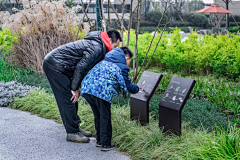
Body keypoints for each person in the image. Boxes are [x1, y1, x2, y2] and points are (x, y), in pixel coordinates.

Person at [42, 30, 122, 143]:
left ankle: (75, 127)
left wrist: (77, 87)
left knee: (72, 98)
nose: (113, 49)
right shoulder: (97, 48)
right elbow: (81, 67)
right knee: (68, 99)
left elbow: (85, 69)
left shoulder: (98, 45)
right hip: (55, 65)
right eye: (115, 45)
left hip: (62, 66)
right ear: (109, 40)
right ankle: (72, 133)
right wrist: (74, 88)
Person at [81, 47, 140, 151]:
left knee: (98, 115)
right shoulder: (122, 67)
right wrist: (137, 88)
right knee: (105, 116)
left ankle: (99, 140)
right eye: (130, 60)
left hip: (87, 89)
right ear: (126, 58)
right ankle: (106, 144)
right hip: (101, 91)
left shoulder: (105, 62)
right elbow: (127, 87)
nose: (129, 63)